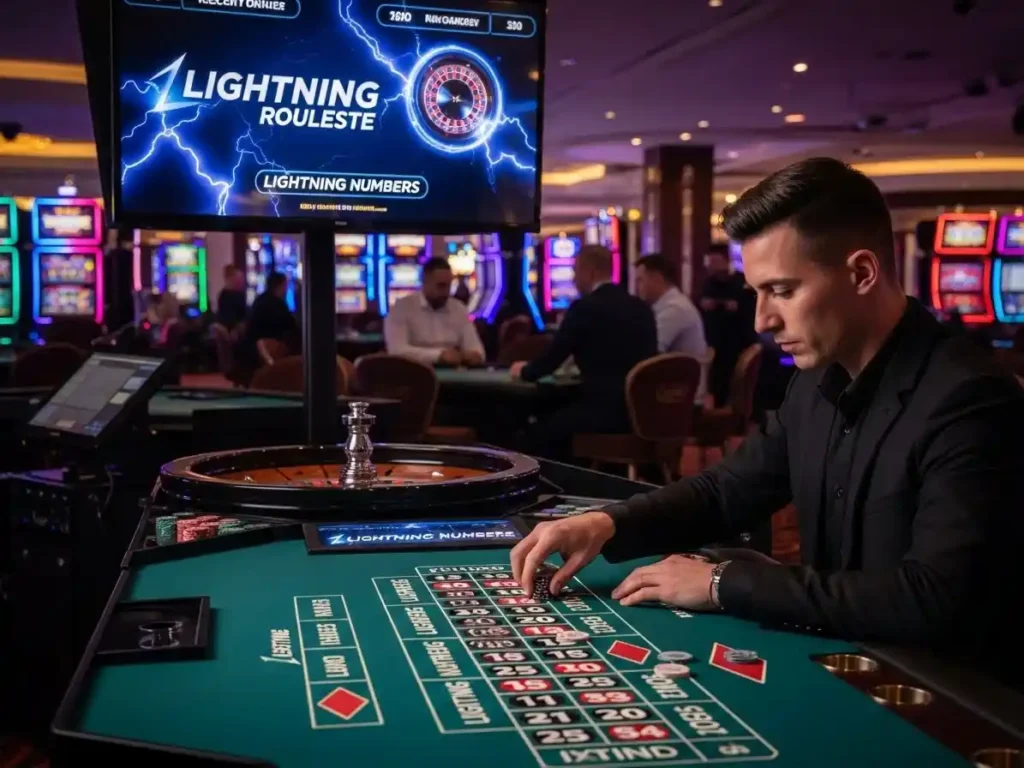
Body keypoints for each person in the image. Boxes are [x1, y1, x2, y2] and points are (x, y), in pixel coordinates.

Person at [509, 157, 1024, 681]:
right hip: (848, 661)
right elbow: (726, 491)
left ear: (862, 273)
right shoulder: (815, 383)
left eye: (782, 290)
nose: (762, 319)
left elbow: (933, 598)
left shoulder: (970, 399)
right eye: (757, 291)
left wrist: (720, 583)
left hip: (950, 696)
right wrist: (607, 523)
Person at [510, 244, 658, 460]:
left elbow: (551, 360)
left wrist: (523, 371)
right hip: (641, 414)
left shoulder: (585, 307)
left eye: (575, 272)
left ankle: (561, 488)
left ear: (589, 272)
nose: (573, 280)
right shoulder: (641, 307)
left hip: (602, 413)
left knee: (535, 431)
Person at [384, 257, 485, 366]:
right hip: (413, 373)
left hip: (454, 374)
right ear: (425, 283)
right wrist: (439, 356)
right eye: (441, 285)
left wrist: (475, 355)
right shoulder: (402, 308)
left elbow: (477, 350)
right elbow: (397, 350)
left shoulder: (459, 308)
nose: (446, 291)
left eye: (449, 285)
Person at [635, 253, 709, 399]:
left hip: (681, 397)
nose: (637, 287)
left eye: (640, 280)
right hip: (677, 388)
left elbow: (650, 351)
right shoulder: (668, 305)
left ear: (657, 278)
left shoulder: (674, 309)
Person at [700, 246, 754, 406]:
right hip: (715, 342)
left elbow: (749, 310)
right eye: (709, 262)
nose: (711, 266)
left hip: (738, 341)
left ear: (727, 261)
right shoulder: (708, 284)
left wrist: (733, 306)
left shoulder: (742, 282)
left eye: (715, 261)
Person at [236, 271, 296, 368]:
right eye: (285, 285)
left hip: (250, 348)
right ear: (279, 286)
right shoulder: (277, 303)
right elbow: (289, 325)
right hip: (263, 348)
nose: (286, 289)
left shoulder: (260, 299)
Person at [216, 264, 247, 332]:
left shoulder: (238, 294)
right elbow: (231, 321)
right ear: (232, 278)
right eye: (240, 278)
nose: (243, 280)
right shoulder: (228, 297)